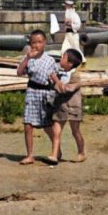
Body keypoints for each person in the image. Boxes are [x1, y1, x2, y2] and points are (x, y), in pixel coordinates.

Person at [16, 29, 68, 165]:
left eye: (39, 42)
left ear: (44, 43)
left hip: (44, 95)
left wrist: (58, 83)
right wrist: (27, 58)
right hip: (31, 93)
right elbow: (19, 72)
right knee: (28, 125)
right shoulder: (28, 59)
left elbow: (53, 75)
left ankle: (57, 150)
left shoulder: (49, 60)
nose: (36, 45)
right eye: (34, 42)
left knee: (47, 126)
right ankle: (30, 155)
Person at [45, 48, 85, 164]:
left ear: (69, 63)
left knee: (75, 131)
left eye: (63, 57)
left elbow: (67, 89)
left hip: (73, 108)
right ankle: (55, 154)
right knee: (56, 131)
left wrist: (55, 82)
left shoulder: (75, 76)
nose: (61, 58)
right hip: (60, 107)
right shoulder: (60, 72)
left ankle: (81, 152)